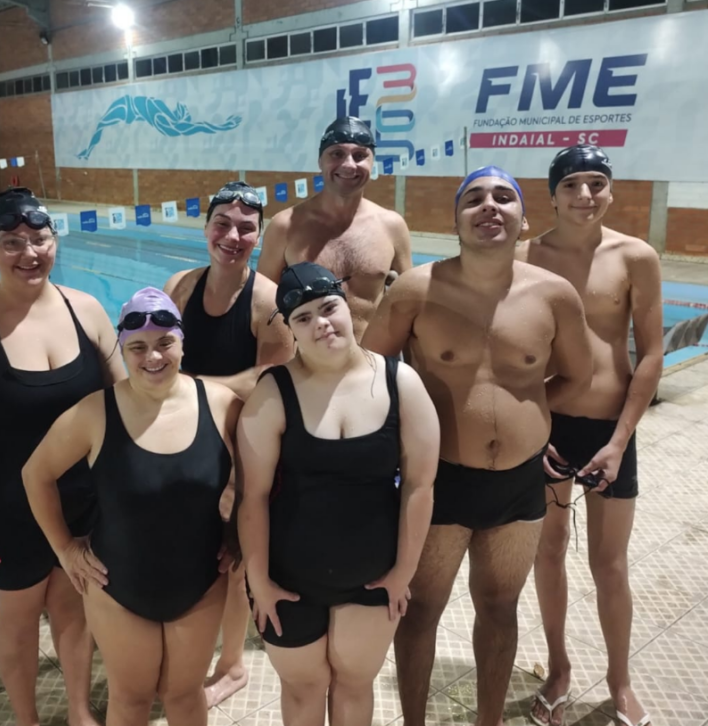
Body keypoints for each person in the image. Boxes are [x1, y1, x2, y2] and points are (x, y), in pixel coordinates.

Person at [362, 166, 593, 726]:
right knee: (421, 611)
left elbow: (578, 375)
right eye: (474, 199)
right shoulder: (416, 289)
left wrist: (530, 419)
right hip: (439, 479)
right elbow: (368, 375)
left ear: (523, 220)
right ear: (456, 221)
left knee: (499, 607)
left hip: (519, 482)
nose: (489, 206)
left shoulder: (555, 295)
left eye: (504, 197)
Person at [0, 187, 124, 726]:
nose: (28, 253)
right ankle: (26, 719)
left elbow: (123, 402)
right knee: (16, 621)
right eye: (12, 242)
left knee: (74, 611)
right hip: (5, 511)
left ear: (55, 241)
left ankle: (78, 711)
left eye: (39, 239)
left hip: (81, 503)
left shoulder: (86, 311)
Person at [23, 287, 242, 726]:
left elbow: (259, 478)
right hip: (117, 587)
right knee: (130, 699)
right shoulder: (95, 414)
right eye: (137, 347)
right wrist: (65, 549)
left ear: (182, 343)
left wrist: (237, 533)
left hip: (200, 583)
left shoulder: (222, 405)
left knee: (185, 695)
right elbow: (36, 474)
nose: (153, 357)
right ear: (122, 351)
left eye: (165, 343)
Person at [237, 262, 439, 726]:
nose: (321, 324)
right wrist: (259, 580)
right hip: (287, 579)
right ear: (291, 329)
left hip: (372, 576)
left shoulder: (400, 383)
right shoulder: (274, 391)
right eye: (303, 318)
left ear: (347, 307)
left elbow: (420, 486)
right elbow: (253, 498)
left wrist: (403, 572)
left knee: (354, 684)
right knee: (303, 688)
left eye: (328, 308)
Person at [518, 146, 662, 726]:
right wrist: (530, 429)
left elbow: (651, 354)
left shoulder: (636, 257)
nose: (585, 195)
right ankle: (558, 670)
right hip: (548, 428)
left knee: (610, 564)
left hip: (610, 430)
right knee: (548, 552)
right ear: (552, 195)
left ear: (611, 190)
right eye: (572, 184)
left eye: (596, 183)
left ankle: (620, 682)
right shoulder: (526, 256)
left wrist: (620, 441)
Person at [163, 180, 295, 707]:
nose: (232, 236)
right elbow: (159, 352)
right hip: (188, 439)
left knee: (234, 556)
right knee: (190, 544)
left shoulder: (268, 301)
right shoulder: (180, 286)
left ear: (259, 236)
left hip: (244, 445)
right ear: (206, 228)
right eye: (222, 224)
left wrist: (187, 387)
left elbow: (270, 380)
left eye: (246, 228)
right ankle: (189, 644)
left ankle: (233, 664)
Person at [256, 116, 413, 343]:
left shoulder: (392, 226)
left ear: (372, 163)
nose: (349, 165)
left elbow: (410, 305)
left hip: (372, 358)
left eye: (360, 155)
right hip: (307, 360)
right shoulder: (285, 226)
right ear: (320, 161)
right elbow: (262, 305)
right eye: (337, 154)